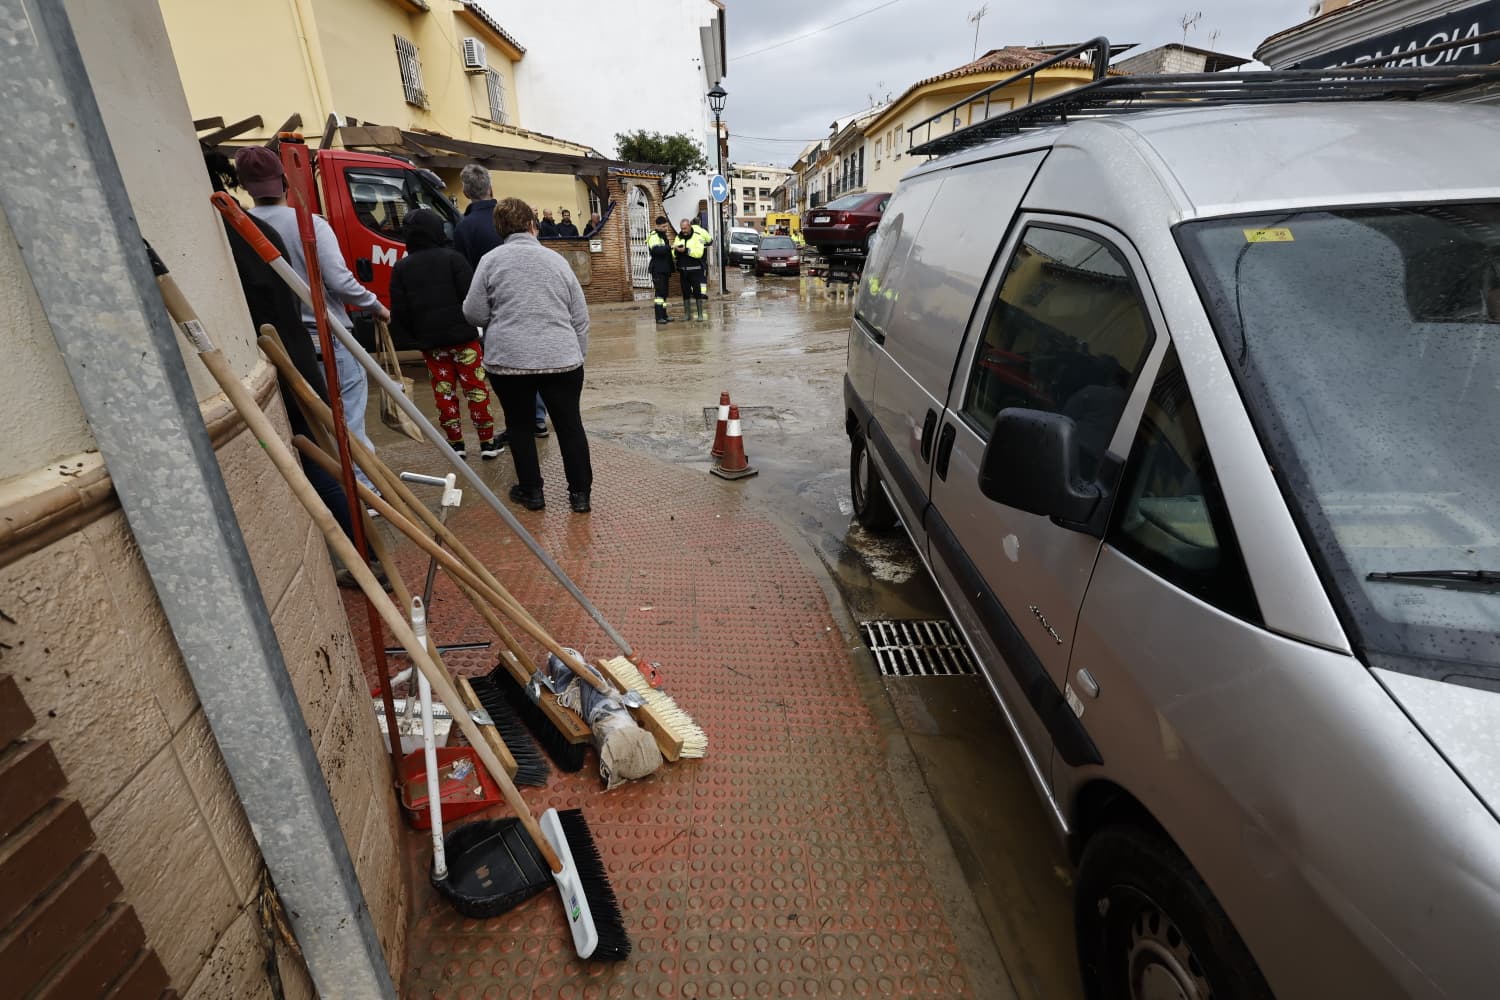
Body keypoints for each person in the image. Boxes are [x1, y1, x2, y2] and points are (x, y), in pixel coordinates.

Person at [235, 145, 386, 498]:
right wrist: (376, 305)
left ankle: (336, 490)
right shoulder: (309, 224)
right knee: (348, 419)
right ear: (284, 181)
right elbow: (338, 280)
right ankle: (364, 493)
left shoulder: (243, 228)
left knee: (312, 422)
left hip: (281, 343)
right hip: (327, 335)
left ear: (244, 185)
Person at [463, 198, 594, 513]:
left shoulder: (490, 261)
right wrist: (577, 355)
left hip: (510, 362)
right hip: (561, 359)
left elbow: (474, 313)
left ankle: (532, 492)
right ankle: (580, 496)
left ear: (500, 230)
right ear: (533, 225)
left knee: (520, 426)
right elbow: (580, 316)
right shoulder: (557, 261)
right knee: (570, 425)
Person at [389, 209, 502, 461]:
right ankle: (487, 443)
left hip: (433, 345)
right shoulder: (454, 259)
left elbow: (400, 309)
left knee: (444, 393)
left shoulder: (402, 268)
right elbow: (472, 298)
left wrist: (411, 339)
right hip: (464, 340)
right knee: (476, 390)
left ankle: (456, 445)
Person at [452, 163, 548, 440]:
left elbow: (466, 275)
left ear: (467, 192)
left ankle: (519, 423)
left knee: (508, 369)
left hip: (493, 309)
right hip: (530, 300)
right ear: (490, 187)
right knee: (535, 359)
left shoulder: (464, 228)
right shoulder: (512, 220)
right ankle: (538, 419)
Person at [673, 217, 709, 321]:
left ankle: (700, 314)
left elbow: (699, 253)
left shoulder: (697, 237)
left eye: (684, 228)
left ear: (689, 226)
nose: (683, 231)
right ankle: (687, 315)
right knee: (685, 292)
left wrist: (686, 250)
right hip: (683, 270)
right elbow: (674, 251)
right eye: (681, 228)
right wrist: (675, 251)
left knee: (697, 292)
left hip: (695, 269)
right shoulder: (678, 237)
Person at [647, 216, 676, 325]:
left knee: (664, 294)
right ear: (657, 226)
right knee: (659, 294)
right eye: (663, 226)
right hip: (658, 269)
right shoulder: (654, 236)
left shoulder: (662, 236)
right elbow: (655, 250)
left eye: (666, 226)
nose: (666, 228)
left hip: (664, 269)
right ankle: (659, 317)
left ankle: (664, 315)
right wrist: (670, 247)